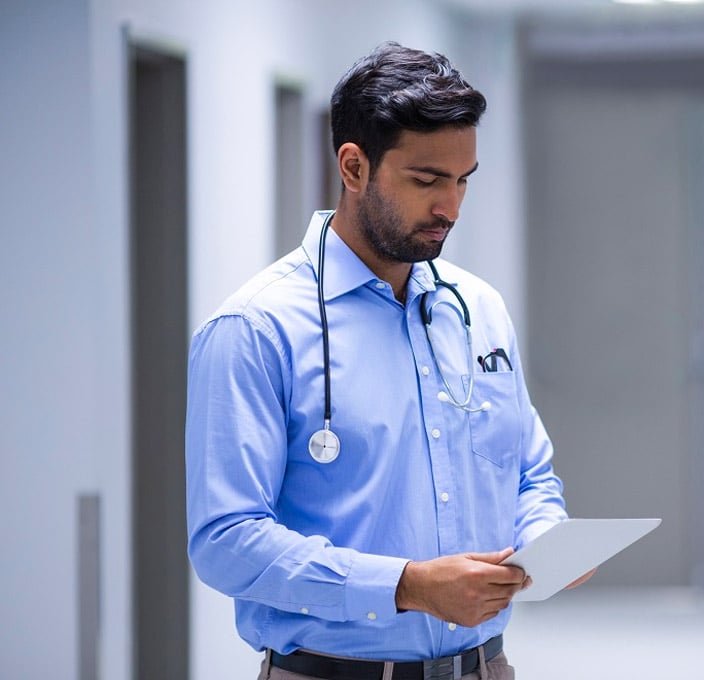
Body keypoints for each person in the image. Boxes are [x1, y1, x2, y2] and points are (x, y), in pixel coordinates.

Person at [186, 42, 585, 680]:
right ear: (353, 166)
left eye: (462, 181)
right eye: (426, 181)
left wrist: (546, 541)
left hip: (485, 667)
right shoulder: (256, 328)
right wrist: (405, 585)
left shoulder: (476, 310)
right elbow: (225, 542)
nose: (450, 208)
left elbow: (529, 474)